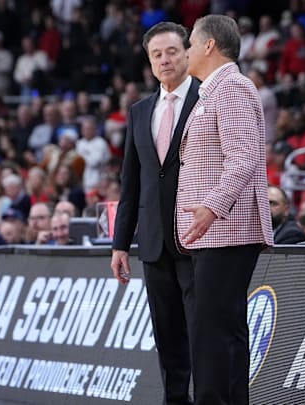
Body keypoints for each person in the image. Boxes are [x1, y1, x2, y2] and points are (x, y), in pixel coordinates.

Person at [176, 15, 273, 404]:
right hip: (213, 232)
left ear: (209, 45)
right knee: (220, 330)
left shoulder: (231, 87)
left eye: (190, 43)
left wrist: (212, 208)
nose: (186, 52)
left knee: (213, 332)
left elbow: (244, 157)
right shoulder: (211, 92)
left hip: (226, 230)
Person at [111, 21, 199, 405]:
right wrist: (119, 245)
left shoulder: (208, 97)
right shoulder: (139, 110)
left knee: (203, 333)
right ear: (149, 61)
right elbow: (131, 183)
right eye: (157, 54)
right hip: (153, 241)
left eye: (172, 51)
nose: (165, 60)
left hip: (199, 237)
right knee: (167, 335)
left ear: (187, 53)